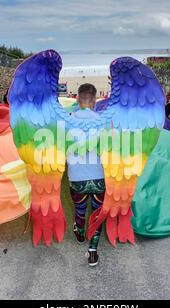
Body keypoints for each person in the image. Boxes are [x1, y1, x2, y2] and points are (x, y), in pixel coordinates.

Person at [67, 83, 105, 267]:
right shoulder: (103, 121)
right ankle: (93, 250)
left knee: (80, 208)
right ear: (95, 101)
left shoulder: (66, 121)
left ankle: (80, 233)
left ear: (77, 99)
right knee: (98, 213)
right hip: (99, 177)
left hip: (76, 178)